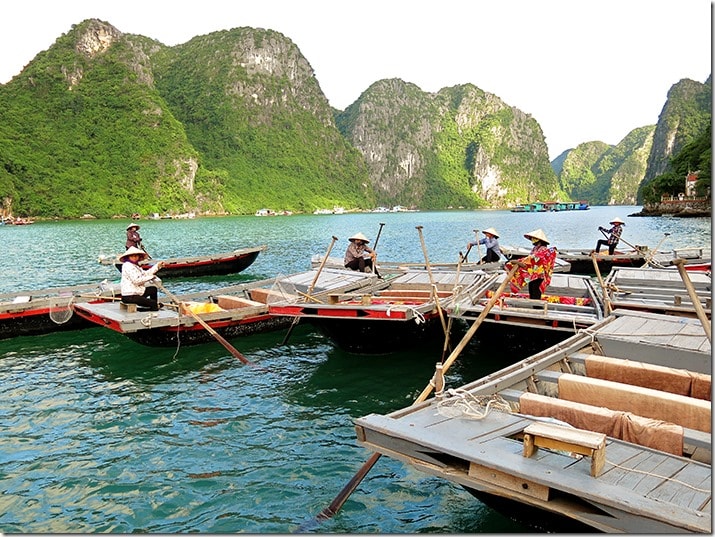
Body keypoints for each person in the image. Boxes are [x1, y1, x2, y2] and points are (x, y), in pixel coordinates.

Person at [505, 229, 557, 300]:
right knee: (531, 289)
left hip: (539, 274)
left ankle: (537, 307)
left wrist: (520, 261)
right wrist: (520, 261)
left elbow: (535, 258)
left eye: (534, 239)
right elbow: (529, 258)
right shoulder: (535, 248)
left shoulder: (543, 249)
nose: (532, 241)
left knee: (536, 290)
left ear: (539, 240)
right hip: (533, 272)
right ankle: (533, 304)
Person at [119, 246, 164, 311]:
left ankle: (153, 306)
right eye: (132, 256)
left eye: (136, 256)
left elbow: (146, 274)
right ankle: (153, 308)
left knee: (153, 289)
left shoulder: (136, 266)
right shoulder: (127, 266)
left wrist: (157, 266)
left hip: (138, 292)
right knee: (153, 303)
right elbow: (136, 281)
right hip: (130, 295)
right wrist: (150, 277)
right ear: (128, 257)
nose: (134, 257)